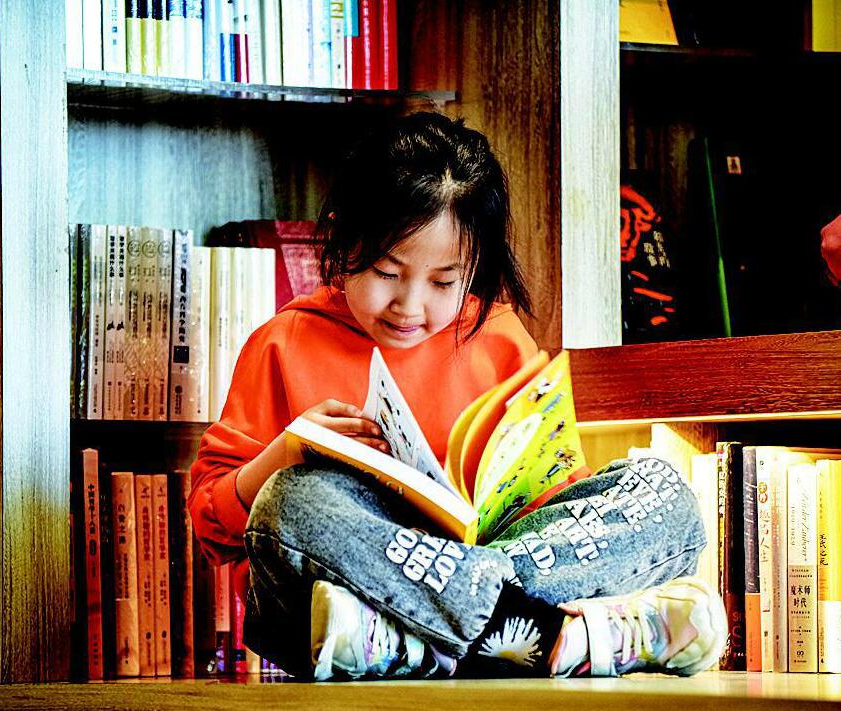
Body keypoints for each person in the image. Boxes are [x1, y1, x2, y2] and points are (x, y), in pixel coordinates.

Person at [189, 112, 727, 681]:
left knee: (662, 494)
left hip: (395, 605)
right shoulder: (283, 342)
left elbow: (555, 503)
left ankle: (416, 644)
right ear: (342, 237)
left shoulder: (498, 335)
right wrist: (286, 452)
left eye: (444, 281)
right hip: (340, 590)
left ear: (474, 268)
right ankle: (546, 636)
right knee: (291, 503)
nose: (409, 305)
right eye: (386, 272)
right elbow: (211, 527)